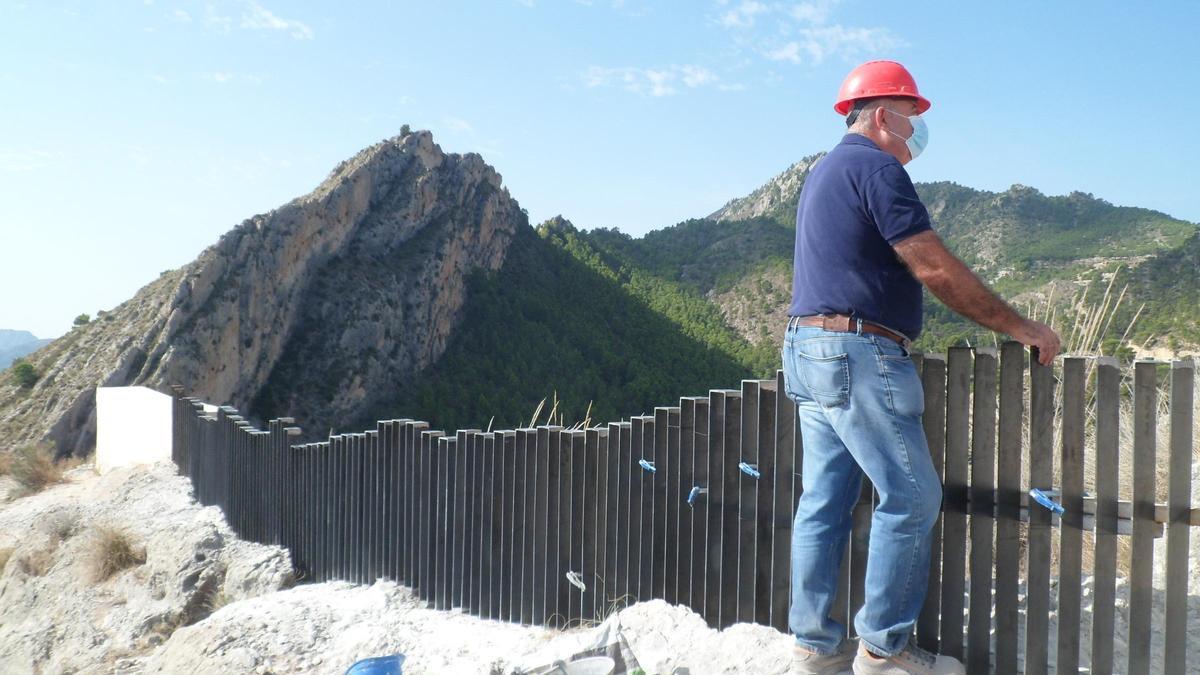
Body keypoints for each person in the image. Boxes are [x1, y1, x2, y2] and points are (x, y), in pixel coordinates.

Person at [783, 60, 1061, 675]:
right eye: (913, 115)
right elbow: (934, 267)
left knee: (823, 502)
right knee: (910, 497)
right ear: (883, 114)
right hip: (857, 352)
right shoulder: (877, 168)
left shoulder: (824, 171)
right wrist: (1022, 326)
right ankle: (884, 651)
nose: (917, 130)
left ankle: (813, 647)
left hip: (806, 350)